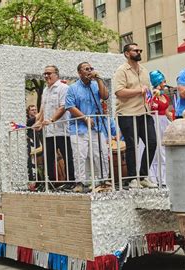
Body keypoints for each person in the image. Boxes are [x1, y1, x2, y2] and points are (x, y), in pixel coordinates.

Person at [113, 43, 157, 188]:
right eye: (135, 50)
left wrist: (151, 98)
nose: (139, 52)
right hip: (127, 113)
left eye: (140, 50)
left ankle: (143, 176)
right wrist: (139, 91)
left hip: (144, 112)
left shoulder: (144, 70)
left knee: (152, 142)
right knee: (132, 145)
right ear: (127, 53)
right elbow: (119, 92)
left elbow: (146, 90)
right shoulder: (121, 71)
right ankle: (133, 178)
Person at [65, 62, 109, 192]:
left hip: (97, 127)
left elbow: (105, 96)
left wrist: (99, 79)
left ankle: (103, 180)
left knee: (101, 153)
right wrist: (85, 118)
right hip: (79, 128)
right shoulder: (72, 88)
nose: (90, 71)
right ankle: (80, 182)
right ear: (79, 73)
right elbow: (70, 106)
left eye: (91, 68)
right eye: (86, 69)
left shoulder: (95, 85)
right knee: (80, 155)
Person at [34, 65, 75, 189]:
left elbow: (63, 107)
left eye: (49, 73)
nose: (46, 76)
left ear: (56, 74)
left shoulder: (64, 88)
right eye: (45, 74)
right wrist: (39, 122)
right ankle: (50, 183)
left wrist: (51, 120)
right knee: (48, 159)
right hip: (49, 131)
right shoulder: (45, 90)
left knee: (67, 157)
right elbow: (42, 108)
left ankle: (71, 182)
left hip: (62, 130)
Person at [148, 70, 172, 186]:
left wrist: (172, 120)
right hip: (155, 121)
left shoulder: (165, 96)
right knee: (157, 150)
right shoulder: (153, 95)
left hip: (164, 122)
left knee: (164, 149)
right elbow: (150, 108)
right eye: (163, 81)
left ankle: (164, 178)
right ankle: (154, 177)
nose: (165, 84)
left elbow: (166, 111)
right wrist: (154, 95)